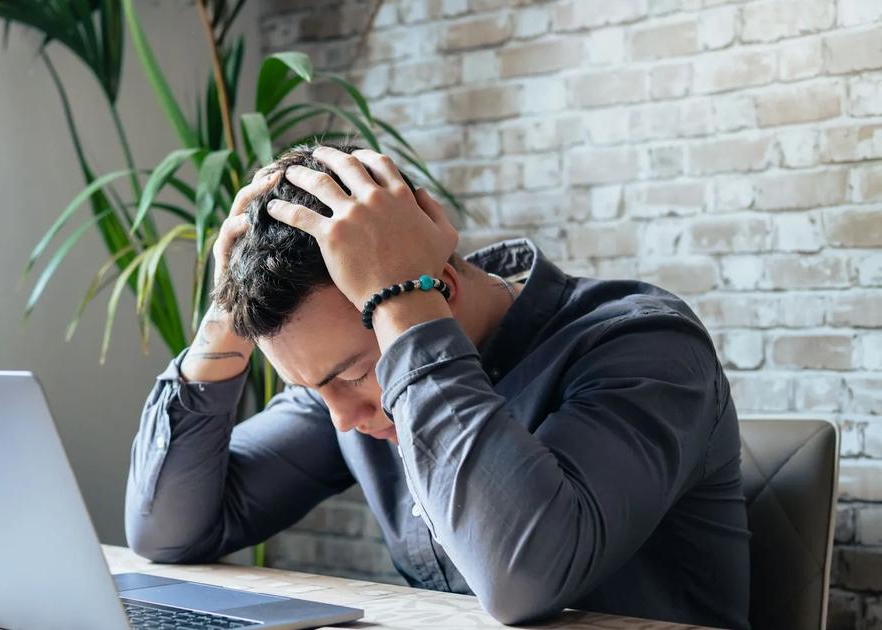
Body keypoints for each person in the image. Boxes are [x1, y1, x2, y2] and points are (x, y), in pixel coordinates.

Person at [124, 144, 749, 628]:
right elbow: (167, 530)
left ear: (438, 286)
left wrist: (401, 302)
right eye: (315, 388)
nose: (340, 417)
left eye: (353, 373)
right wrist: (224, 319)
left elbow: (522, 577)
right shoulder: (345, 388)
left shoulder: (645, 347)